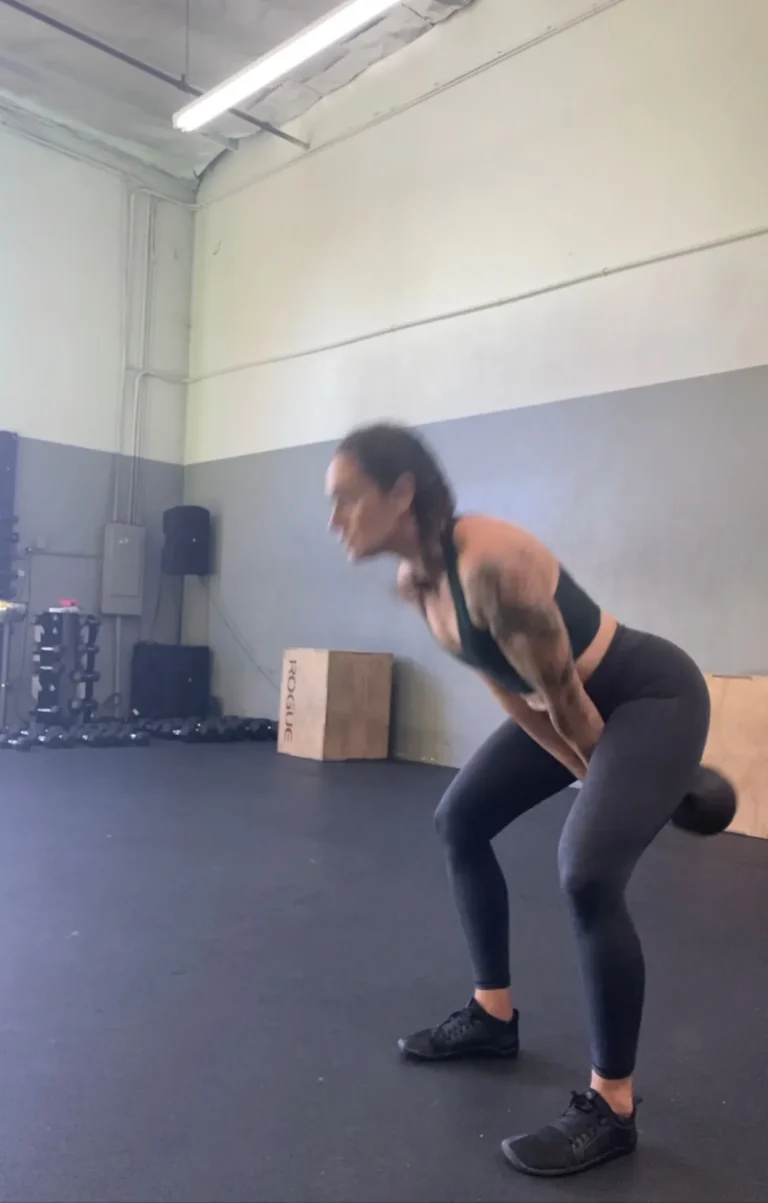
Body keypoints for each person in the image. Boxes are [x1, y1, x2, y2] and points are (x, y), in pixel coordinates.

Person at [325, 422, 711, 1178]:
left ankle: (613, 1105)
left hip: (650, 695)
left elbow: (571, 705)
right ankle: (492, 1016)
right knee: (460, 817)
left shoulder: (489, 567)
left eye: (346, 499)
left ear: (401, 492)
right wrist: (619, 786)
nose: (334, 519)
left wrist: (616, 788)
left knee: (587, 871)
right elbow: (509, 689)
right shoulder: (419, 584)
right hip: (577, 705)